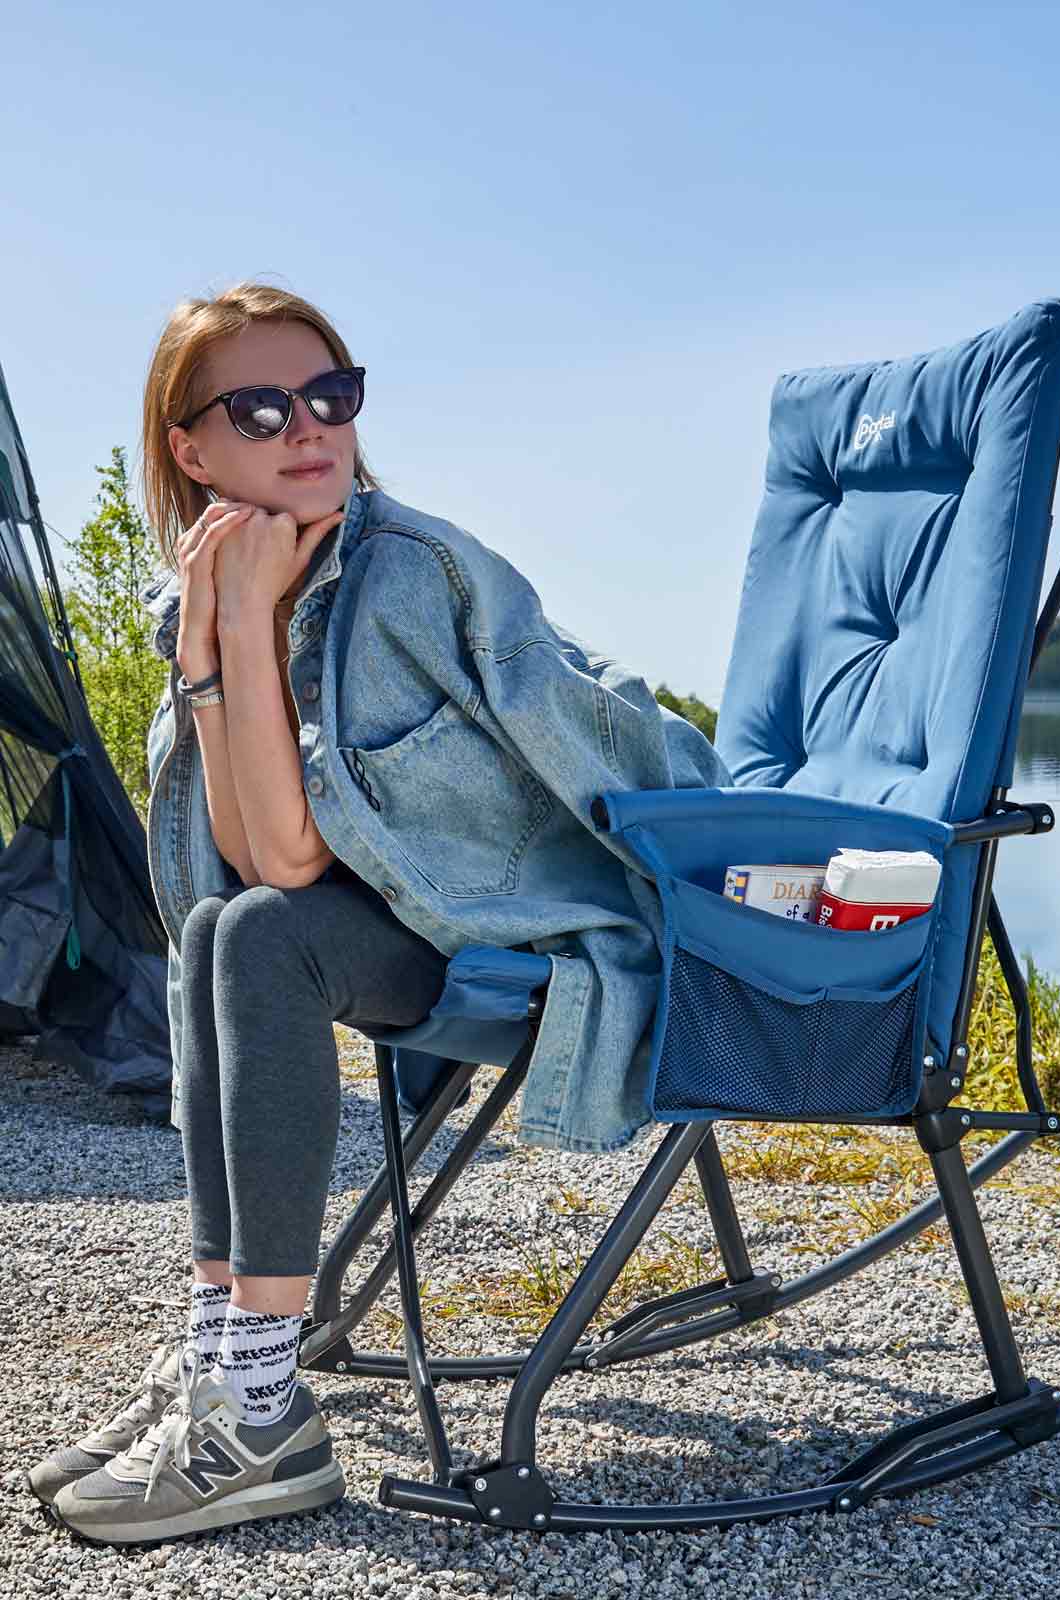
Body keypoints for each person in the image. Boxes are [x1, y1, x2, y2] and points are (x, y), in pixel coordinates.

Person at [32, 283, 457, 1544]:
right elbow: (231, 855)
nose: (308, 428)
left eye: (331, 394)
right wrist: (222, 624)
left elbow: (285, 854)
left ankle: (263, 1409)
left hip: (507, 933)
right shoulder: (246, 573)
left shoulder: (400, 578)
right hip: (368, 928)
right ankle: (226, 1351)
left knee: (259, 935)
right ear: (192, 448)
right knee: (221, 930)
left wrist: (230, 632)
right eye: (262, 407)